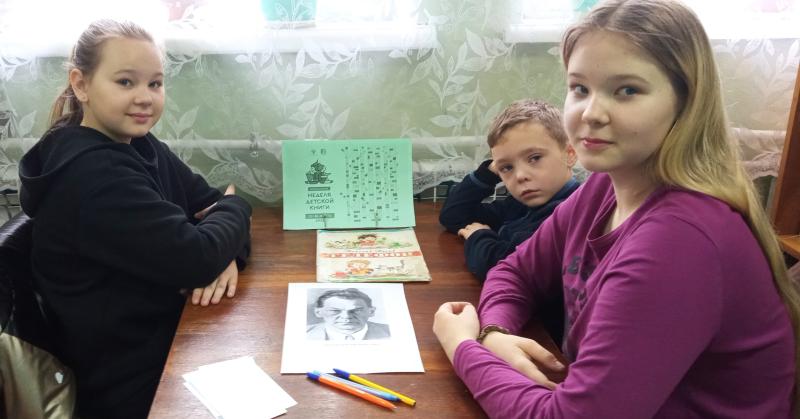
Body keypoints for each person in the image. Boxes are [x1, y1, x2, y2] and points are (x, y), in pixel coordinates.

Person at [433, 0, 800, 417]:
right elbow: (515, 271)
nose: (591, 113)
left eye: (627, 90)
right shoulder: (603, 188)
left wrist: (462, 345)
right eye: (580, 88)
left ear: (686, 102)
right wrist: (495, 331)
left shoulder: (680, 240)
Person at [18, 20, 252, 419]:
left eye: (155, 83)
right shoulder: (93, 177)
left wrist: (225, 252)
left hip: (172, 333)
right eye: (125, 82)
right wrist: (238, 209)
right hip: (130, 379)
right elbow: (199, 252)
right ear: (81, 84)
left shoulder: (138, 143)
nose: (144, 97)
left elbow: (208, 205)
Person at [439, 99, 580, 282]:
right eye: (507, 168)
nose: (520, 176)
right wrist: (489, 172)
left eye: (534, 158)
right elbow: (454, 215)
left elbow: (504, 266)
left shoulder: (572, 213)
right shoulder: (522, 204)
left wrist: (478, 236)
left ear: (570, 154)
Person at [307, 288, 391, 341]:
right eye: (335, 311)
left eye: (356, 310)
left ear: (371, 312)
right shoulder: (304, 333)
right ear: (318, 312)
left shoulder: (391, 332)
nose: (346, 317)